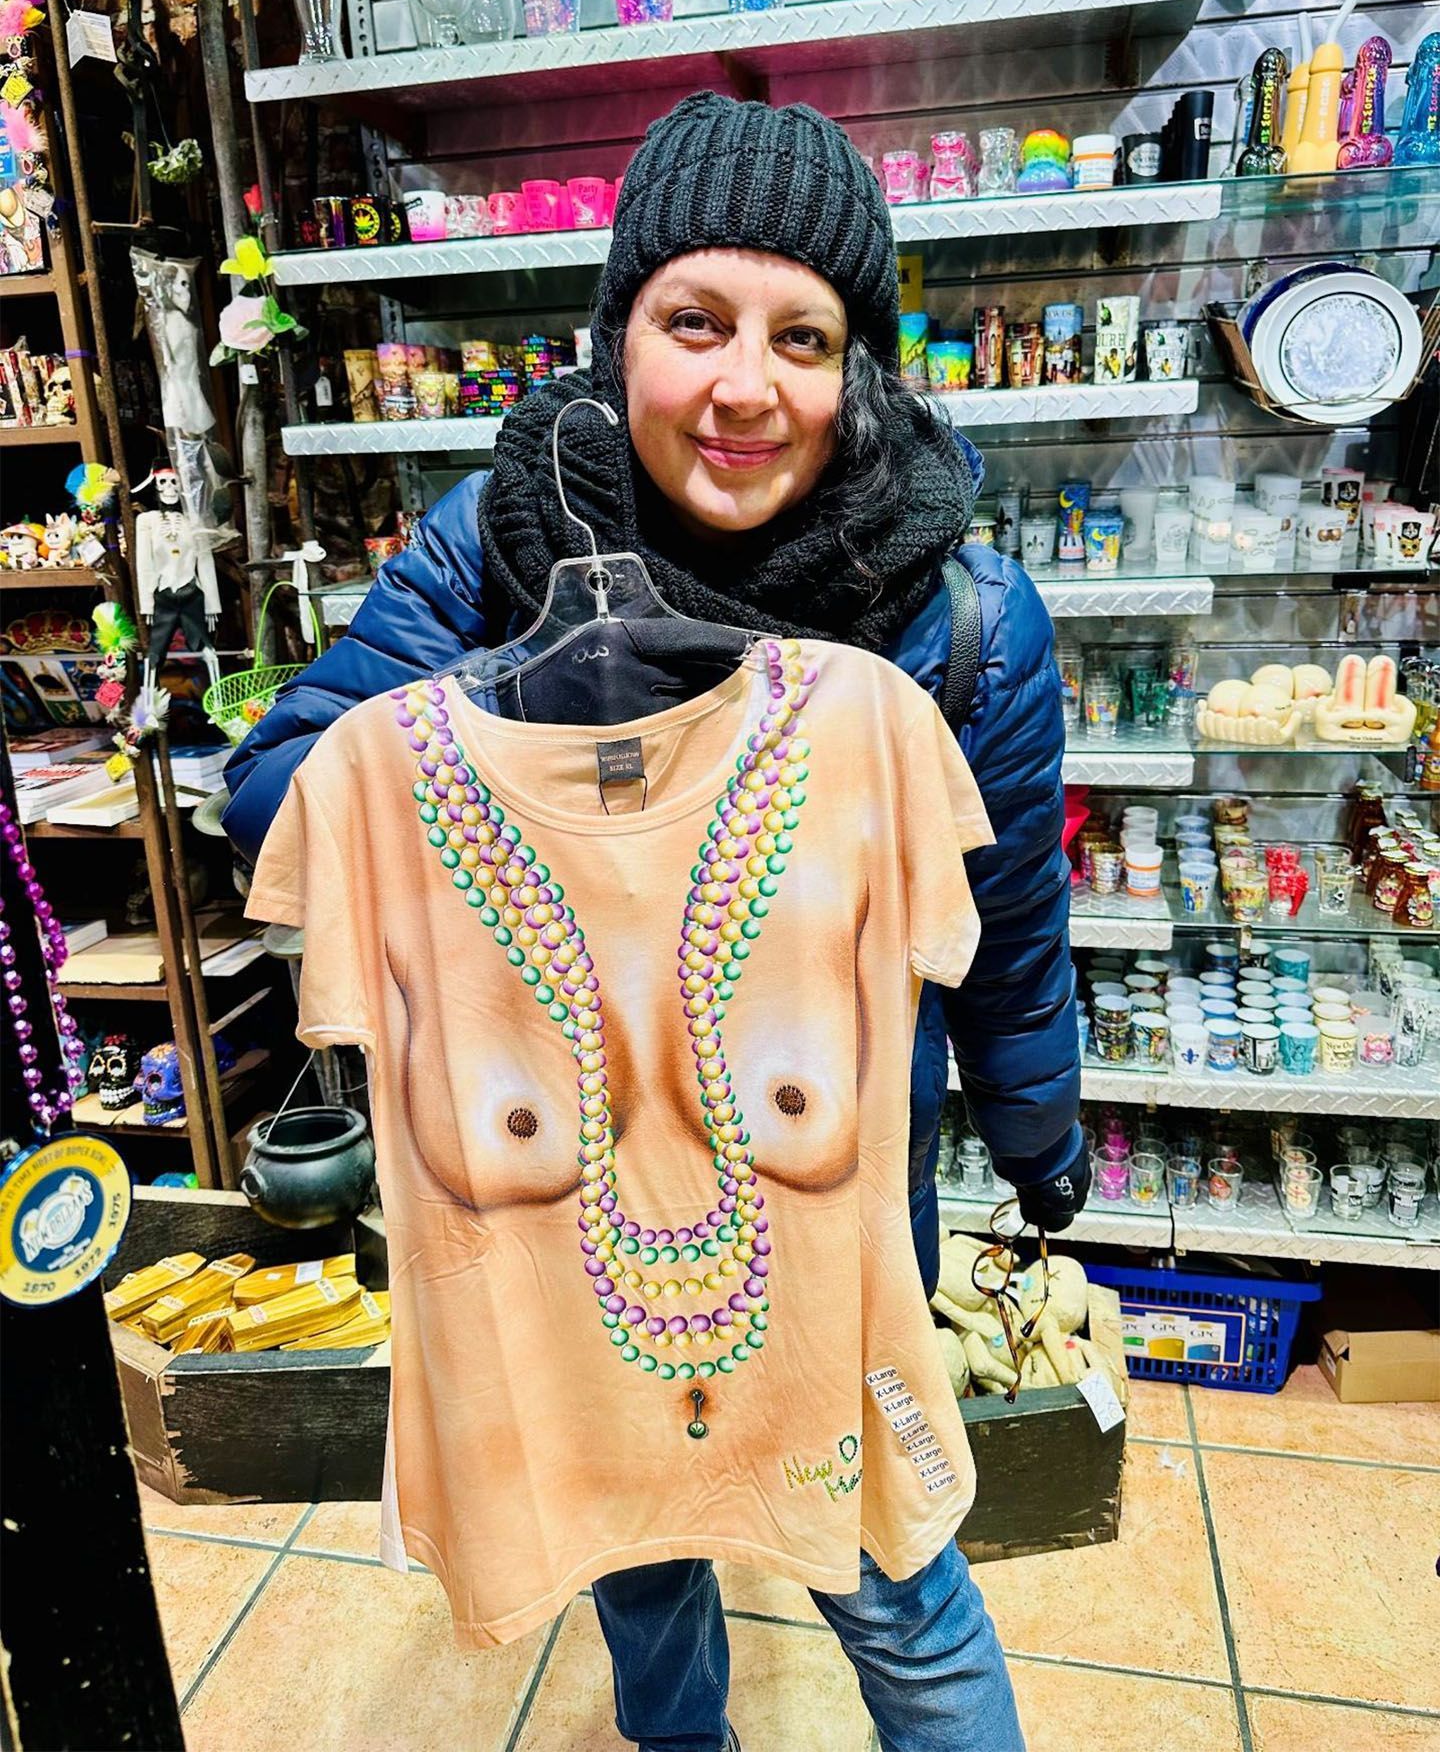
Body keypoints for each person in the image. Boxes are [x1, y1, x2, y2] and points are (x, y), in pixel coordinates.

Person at [225, 92, 1086, 1752]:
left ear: (861, 365)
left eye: (804, 335)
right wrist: (521, 701)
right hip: (564, 1194)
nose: (745, 387)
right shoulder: (504, 539)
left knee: (893, 1567)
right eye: (694, 322)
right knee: (632, 1537)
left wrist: (1041, 1135)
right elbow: (280, 794)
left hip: (830, 1180)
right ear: (619, 333)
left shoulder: (959, 615)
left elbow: (1013, 910)